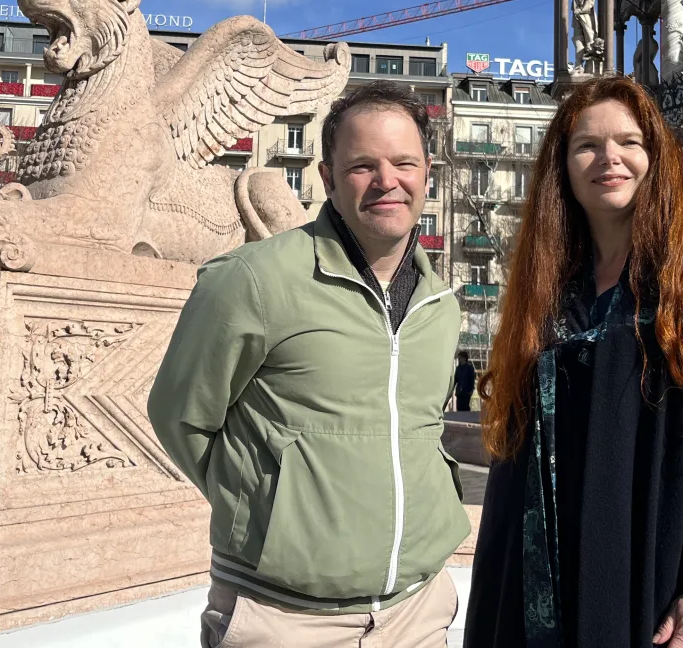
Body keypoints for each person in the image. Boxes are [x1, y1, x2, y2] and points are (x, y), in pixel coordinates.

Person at [464, 77, 683, 648]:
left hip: (665, 593)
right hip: (547, 603)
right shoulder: (549, 297)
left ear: (657, 159)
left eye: (629, 142)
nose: (609, 157)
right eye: (587, 146)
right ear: (564, 170)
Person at [149, 81, 467, 648]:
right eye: (362, 165)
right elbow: (181, 416)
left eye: (404, 163)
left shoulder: (440, 304)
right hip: (284, 617)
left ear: (426, 173)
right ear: (327, 177)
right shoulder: (251, 280)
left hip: (416, 611)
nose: (387, 181)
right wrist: (270, 513)